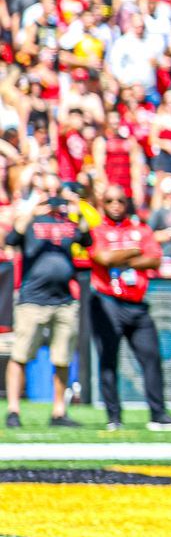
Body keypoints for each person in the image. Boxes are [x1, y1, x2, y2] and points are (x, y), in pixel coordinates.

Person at [89, 187, 171, 431]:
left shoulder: (140, 229)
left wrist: (121, 256)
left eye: (120, 200)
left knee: (151, 357)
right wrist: (134, 251)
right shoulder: (98, 230)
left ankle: (158, 414)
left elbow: (154, 259)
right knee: (108, 359)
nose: (115, 204)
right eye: (110, 200)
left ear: (127, 203)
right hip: (108, 300)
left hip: (137, 302)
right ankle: (114, 417)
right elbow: (103, 258)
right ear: (103, 203)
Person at [3, 173, 91, 428]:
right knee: (20, 355)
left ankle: (58, 411)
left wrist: (77, 210)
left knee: (62, 358)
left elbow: (87, 241)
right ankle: (13, 410)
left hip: (63, 299)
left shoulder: (68, 221)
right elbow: (11, 240)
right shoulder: (30, 218)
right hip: (32, 299)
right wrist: (34, 208)